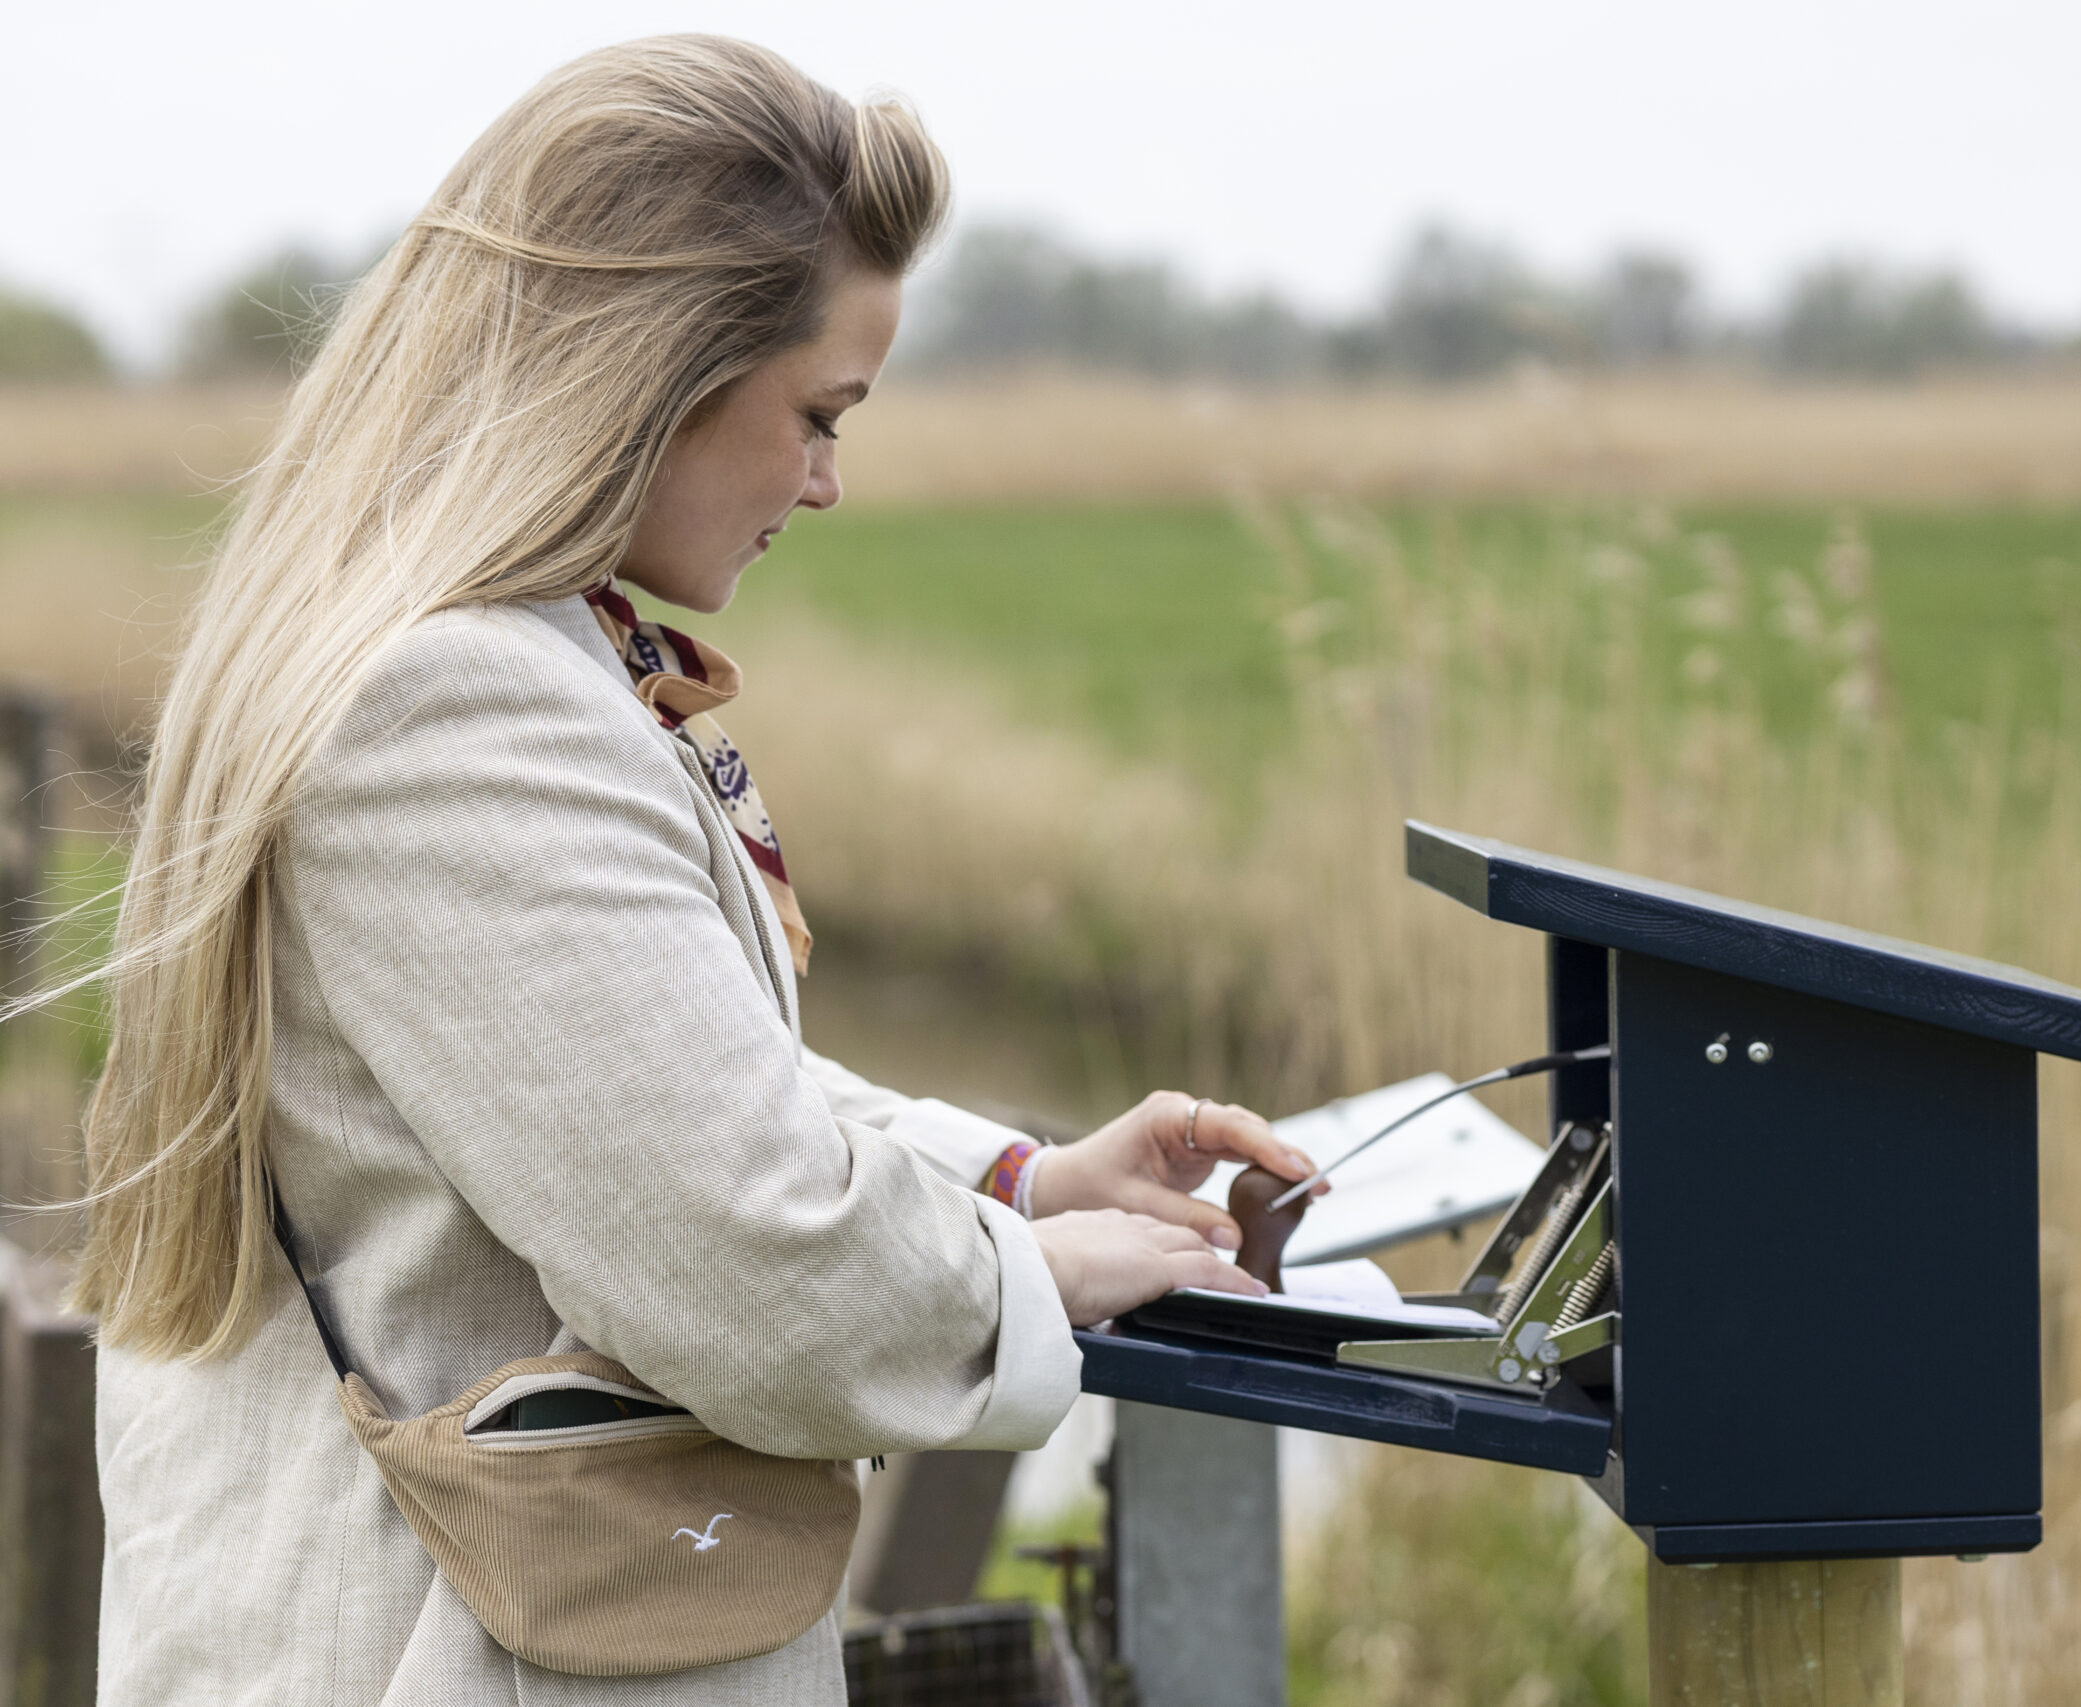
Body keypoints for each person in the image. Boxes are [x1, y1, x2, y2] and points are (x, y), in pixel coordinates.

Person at [73, 35, 1310, 1705]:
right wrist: (1037, 1285)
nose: (829, 481)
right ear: (648, 367)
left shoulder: (453, 655)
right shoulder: (458, 708)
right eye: (818, 412)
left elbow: (650, 1080)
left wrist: (1020, 1185)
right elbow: (748, 1263)